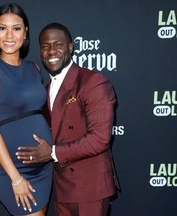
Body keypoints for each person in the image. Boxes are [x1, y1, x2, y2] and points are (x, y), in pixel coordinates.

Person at [16, 23, 120, 216]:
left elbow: (100, 138)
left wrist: (52, 152)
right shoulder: (44, 90)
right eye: (45, 46)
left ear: (71, 47)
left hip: (90, 188)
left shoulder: (93, 81)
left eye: (58, 44)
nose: (51, 51)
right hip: (61, 187)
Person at [0, 3, 53, 216]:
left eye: (16, 28)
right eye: (2, 28)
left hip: (43, 165)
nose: (9, 35)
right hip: (14, 170)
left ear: (25, 32)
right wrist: (16, 178)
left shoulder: (34, 68)